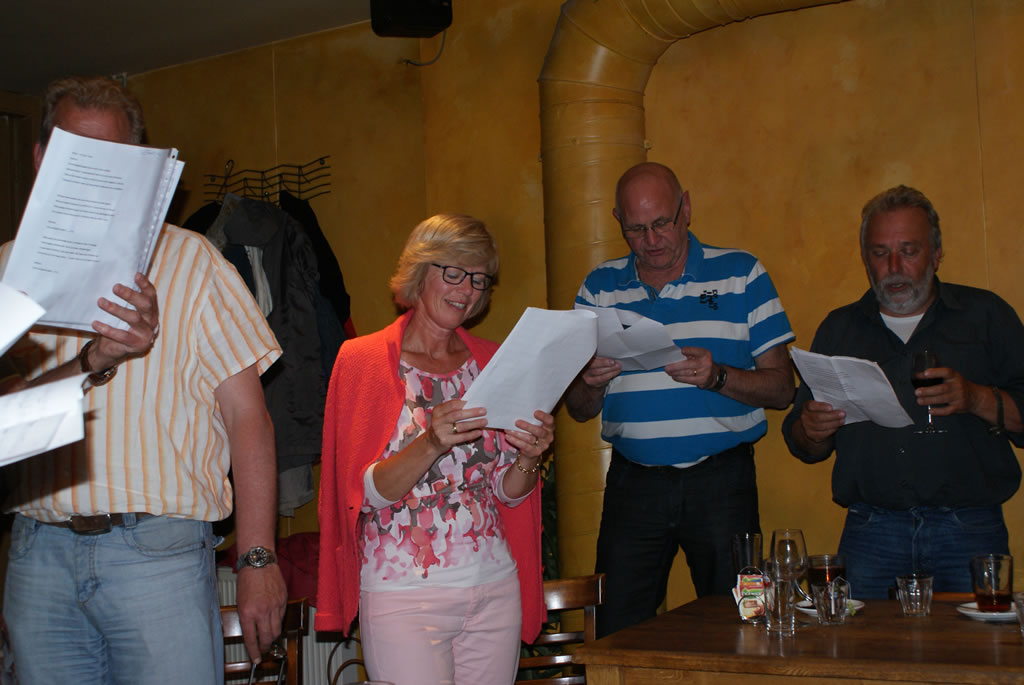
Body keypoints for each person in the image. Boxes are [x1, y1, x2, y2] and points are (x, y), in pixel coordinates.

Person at [0, 76, 286, 683]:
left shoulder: (193, 260)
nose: (95, 173)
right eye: (77, 154)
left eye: (113, 158)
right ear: (42, 157)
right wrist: (90, 362)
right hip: (37, 551)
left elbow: (248, 418)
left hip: (159, 553)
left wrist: (258, 558)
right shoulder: (6, 269)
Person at [316, 214, 554, 685]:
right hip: (403, 594)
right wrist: (430, 442)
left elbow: (505, 492)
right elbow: (360, 494)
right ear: (420, 271)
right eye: (455, 272)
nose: (467, 290)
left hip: (494, 587)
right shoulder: (362, 361)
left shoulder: (493, 361)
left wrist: (530, 457)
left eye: (479, 279)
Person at [565, 162, 795, 637]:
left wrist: (719, 377)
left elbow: (783, 388)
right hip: (633, 485)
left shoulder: (741, 274)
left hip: (721, 482)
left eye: (662, 223)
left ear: (685, 208)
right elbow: (578, 408)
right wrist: (590, 381)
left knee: (741, 624)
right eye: (635, 229)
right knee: (617, 629)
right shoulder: (599, 288)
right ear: (617, 221)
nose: (651, 240)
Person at [782, 185, 1024, 599]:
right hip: (871, 532)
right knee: (864, 642)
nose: (894, 267)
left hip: (969, 530)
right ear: (866, 259)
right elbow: (803, 443)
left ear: (936, 253)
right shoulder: (840, 329)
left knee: (975, 641)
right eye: (880, 253)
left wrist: (975, 398)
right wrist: (812, 429)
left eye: (909, 251)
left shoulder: (985, 316)